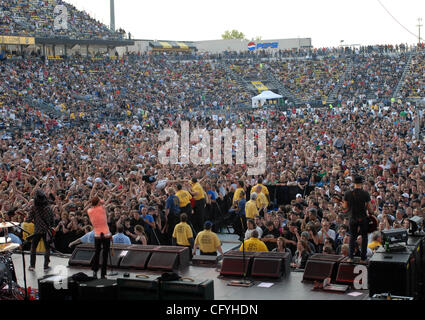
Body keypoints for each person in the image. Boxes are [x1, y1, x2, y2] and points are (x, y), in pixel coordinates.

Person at [342, 175, 374, 263]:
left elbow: (345, 207)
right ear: (361, 183)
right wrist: (372, 213)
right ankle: (363, 258)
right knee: (364, 238)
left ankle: (350, 257)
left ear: (353, 183)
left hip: (352, 218)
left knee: (352, 237)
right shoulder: (365, 193)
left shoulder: (347, 193)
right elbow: (370, 208)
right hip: (363, 218)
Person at [27, 190, 54, 271]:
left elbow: (28, 220)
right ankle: (46, 266)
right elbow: (52, 221)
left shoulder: (34, 208)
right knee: (47, 248)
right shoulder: (48, 208)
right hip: (46, 231)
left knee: (33, 248)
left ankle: (32, 266)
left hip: (37, 231)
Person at [87, 196, 111, 279]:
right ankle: (103, 274)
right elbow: (105, 201)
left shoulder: (89, 211)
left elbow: (99, 203)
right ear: (98, 203)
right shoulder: (102, 208)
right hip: (106, 234)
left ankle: (94, 270)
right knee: (105, 254)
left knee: (97, 253)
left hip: (97, 234)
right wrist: (109, 195)